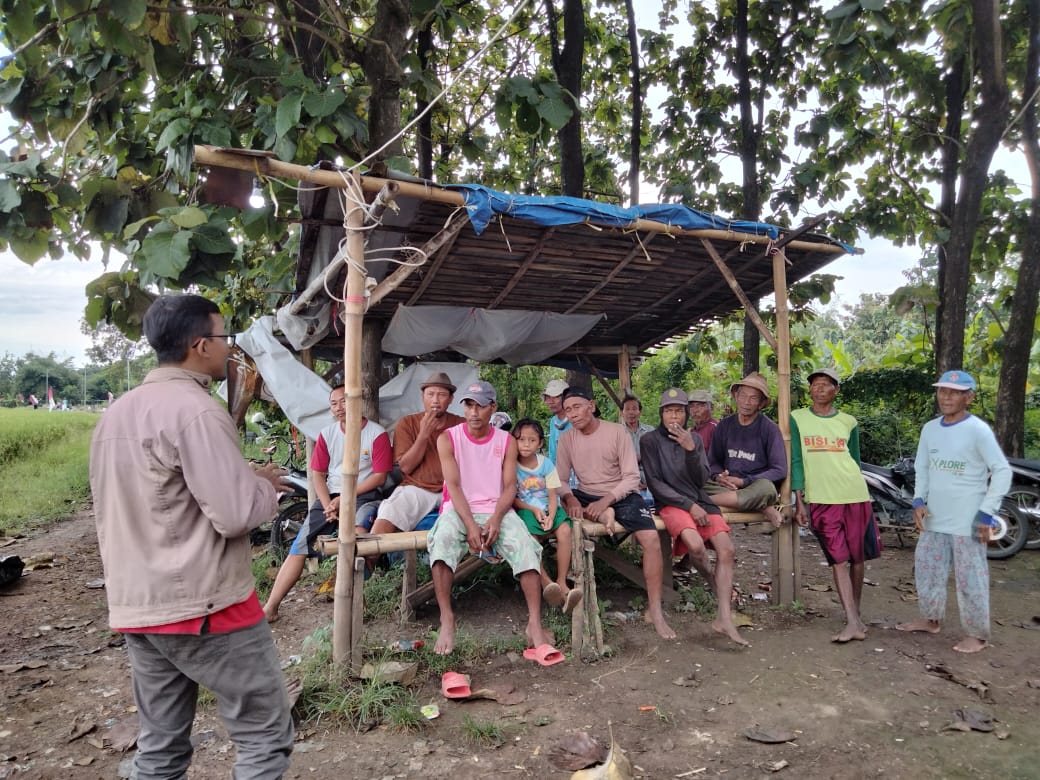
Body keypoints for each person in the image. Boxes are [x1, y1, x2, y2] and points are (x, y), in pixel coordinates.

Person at [89, 294, 293, 778]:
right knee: (264, 735)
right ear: (200, 345)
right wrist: (262, 487)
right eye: (224, 337)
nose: (228, 347)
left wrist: (240, 476)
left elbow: (160, 491)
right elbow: (236, 513)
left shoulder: (115, 415)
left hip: (138, 604)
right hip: (206, 606)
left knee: (160, 747)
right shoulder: (197, 411)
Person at [427, 381, 559, 660]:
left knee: (525, 545)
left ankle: (535, 623)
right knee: (442, 543)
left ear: (493, 408)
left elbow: (510, 486)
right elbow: (453, 485)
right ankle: (447, 618)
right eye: (469, 405)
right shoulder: (447, 438)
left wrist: (497, 519)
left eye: (480, 405)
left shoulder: (506, 441)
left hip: (497, 508)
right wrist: (471, 525)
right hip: (459, 508)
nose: (474, 412)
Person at [896, 370, 1012, 654]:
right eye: (942, 391)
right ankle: (930, 618)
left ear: (968, 397)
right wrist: (918, 500)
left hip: (968, 520)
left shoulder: (978, 430)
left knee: (971, 576)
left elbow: (1002, 470)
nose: (946, 397)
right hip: (934, 517)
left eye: (954, 392)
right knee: (927, 569)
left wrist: (987, 513)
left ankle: (976, 634)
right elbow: (922, 467)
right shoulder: (930, 428)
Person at [263, 384, 392, 622]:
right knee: (299, 547)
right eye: (334, 403)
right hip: (330, 498)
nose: (339, 407)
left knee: (357, 540)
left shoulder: (377, 433)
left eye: (344, 401)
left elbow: (379, 477)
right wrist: (328, 505)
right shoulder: (327, 434)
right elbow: (317, 475)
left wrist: (346, 498)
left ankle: (356, 605)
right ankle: (270, 607)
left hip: (364, 496)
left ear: (357, 401)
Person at [556, 387, 677, 639]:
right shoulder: (567, 439)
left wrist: (606, 501)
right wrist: (568, 496)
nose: (573, 414)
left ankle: (654, 609)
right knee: (566, 510)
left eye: (577, 407)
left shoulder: (616, 432)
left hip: (619, 494)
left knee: (651, 539)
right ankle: (602, 515)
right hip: (585, 493)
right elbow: (561, 479)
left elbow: (631, 477)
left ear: (591, 405)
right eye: (568, 410)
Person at [641, 388, 749, 646]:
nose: (674, 416)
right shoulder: (650, 441)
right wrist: (689, 506)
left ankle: (724, 617)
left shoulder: (696, 440)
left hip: (700, 500)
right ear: (661, 414)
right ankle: (714, 583)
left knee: (727, 550)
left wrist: (690, 449)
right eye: (669, 411)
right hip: (672, 503)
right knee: (696, 547)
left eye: (679, 411)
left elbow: (702, 479)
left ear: (686, 414)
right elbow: (655, 484)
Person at [791, 368, 880, 643]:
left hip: (854, 493)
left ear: (836, 390)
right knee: (838, 558)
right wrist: (799, 499)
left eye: (825, 385)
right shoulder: (797, 418)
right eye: (815, 385)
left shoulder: (848, 422)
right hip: (821, 498)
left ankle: (855, 615)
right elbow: (796, 459)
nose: (819, 389)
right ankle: (852, 621)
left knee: (857, 557)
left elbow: (854, 458)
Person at [369, 372, 464, 537]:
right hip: (417, 488)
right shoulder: (408, 423)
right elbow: (405, 467)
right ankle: (367, 560)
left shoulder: (460, 425)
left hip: (453, 489)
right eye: (431, 394)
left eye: (442, 395)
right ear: (423, 397)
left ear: (450, 399)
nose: (435, 400)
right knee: (389, 511)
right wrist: (424, 434)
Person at [512, 418, 581, 613]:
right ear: (514, 441)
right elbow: (512, 498)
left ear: (540, 442)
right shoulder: (512, 465)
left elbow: (553, 494)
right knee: (530, 539)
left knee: (565, 530)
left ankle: (561, 580)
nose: (526, 444)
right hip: (527, 509)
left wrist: (551, 514)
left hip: (549, 507)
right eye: (521, 439)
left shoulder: (546, 464)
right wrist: (533, 510)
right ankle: (546, 582)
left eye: (532, 440)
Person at [705, 372, 787, 529]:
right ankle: (762, 506)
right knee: (696, 478)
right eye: (743, 396)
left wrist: (745, 481)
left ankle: (703, 501)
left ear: (761, 403)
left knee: (767, 489)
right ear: (736, 396)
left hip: (754, 486)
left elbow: (779, 470)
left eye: (753, 398)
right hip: (726, 486)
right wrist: (718, 477)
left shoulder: (769, 429)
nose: (746, 402)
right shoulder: (724, 425)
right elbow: (713, 460)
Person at [620, 394, 656, 506]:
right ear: (622, 412)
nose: (631, 412)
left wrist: (650, 484)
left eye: (634, 409)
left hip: (650, 477)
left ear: (640, 412)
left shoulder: (650, 431)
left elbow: (657, 457)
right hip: (626, 478)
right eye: (627, 409)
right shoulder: (617, 432)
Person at [542, 378, 570, 464]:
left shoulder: (575, 420)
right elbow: (552, 452)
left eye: (556, 397)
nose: (551, 401)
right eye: (548, 397)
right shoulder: (553, 421)